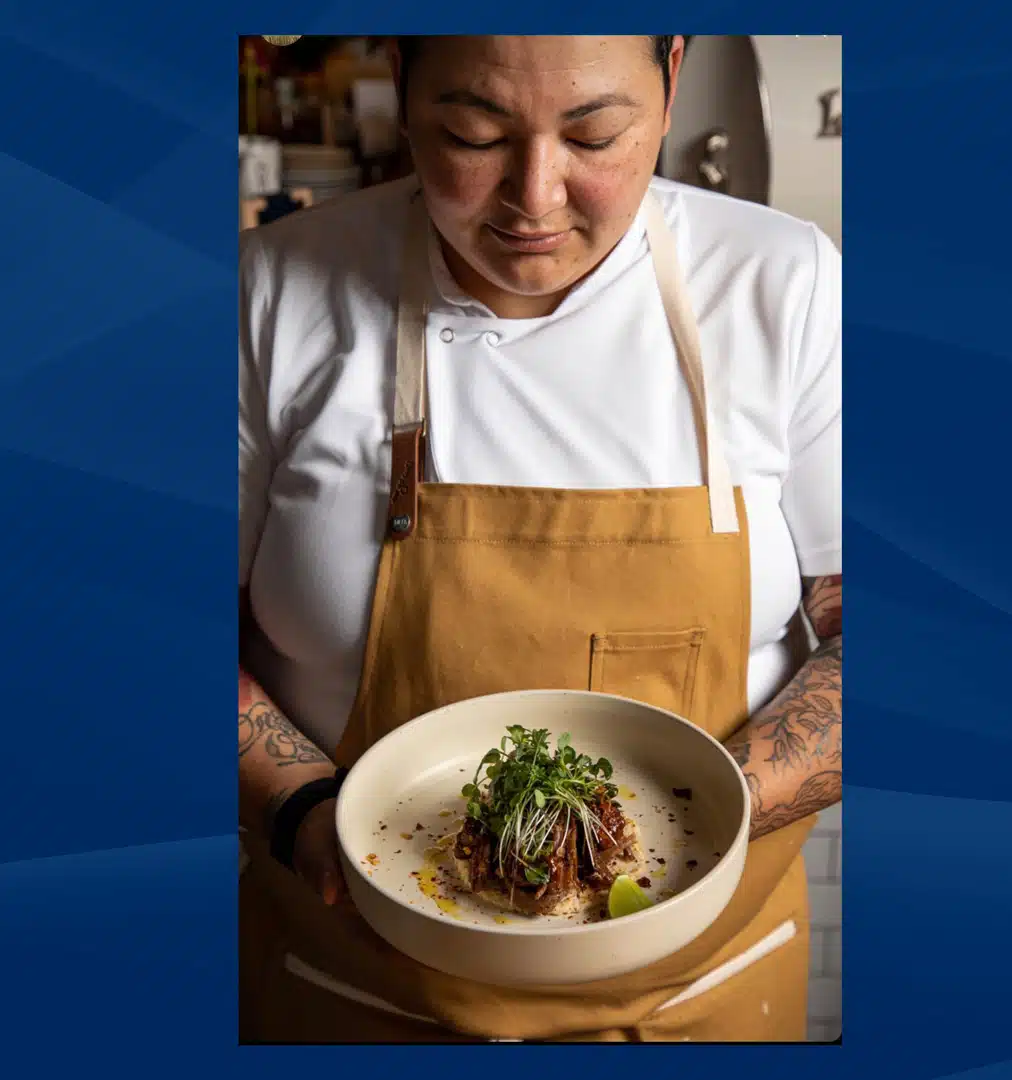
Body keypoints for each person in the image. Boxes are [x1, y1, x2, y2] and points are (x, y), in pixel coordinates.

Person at [239, 34, 841, 1043]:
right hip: (354, 991)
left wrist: (709, 811)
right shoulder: (272, 291)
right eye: (472, 133)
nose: (537, 196)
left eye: (596, 134)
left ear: (674, 77)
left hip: (705, 994)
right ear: (401, 81)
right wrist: (302, 809)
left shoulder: (785, 283)